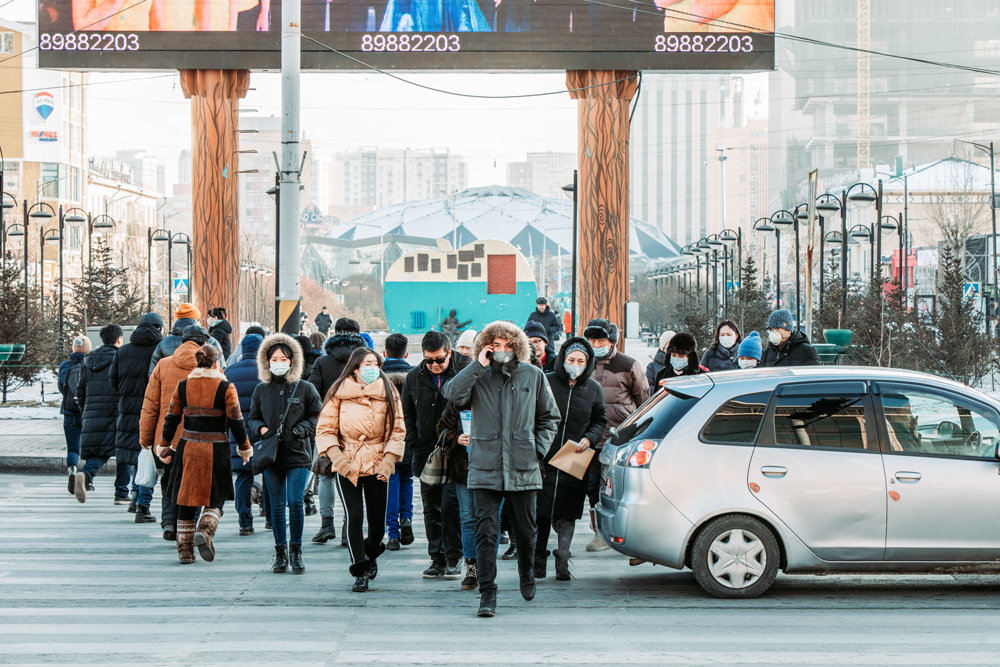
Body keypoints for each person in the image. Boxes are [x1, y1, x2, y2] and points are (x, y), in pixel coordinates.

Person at [442, 321, 560, 618]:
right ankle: (487, 593)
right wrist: (476, 365)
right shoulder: (477, 376)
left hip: (523, 464)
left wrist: (536, 450)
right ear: (486, 347)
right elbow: (452, 395)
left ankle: (526, 573)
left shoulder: (533, 375)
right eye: (495, 345)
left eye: (507, 345)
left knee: (525, 530)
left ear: (517, 346)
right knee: (486, 532)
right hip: (484, 465)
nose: (502, 351)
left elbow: (550, 417)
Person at [316, 347, 406, 592]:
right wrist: (338, 457)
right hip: (348, 462)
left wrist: (389, 461)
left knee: (377, 522)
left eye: (375, 363)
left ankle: (371, 551)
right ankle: (360, 569)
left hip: (378, 461)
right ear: (355, 368)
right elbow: (325, 429)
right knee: (354, 516)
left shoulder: (389, 391)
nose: (372, 367)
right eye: (367, 363)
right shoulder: (338, 392)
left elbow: (397, 429)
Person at [157, 344, 251, 564]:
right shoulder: (226, 387)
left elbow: (171, 419)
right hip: (216, 448)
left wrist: (164, 444)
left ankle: (185, 551)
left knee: (186, 498)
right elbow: (237, 422)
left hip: (187, 447)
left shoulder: (182, 386)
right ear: (217, 362)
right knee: (216, 496)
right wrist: (244, 447)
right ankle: (206, 531)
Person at [249, 334, 323, 574]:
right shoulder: (261, 390)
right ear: (266, 362)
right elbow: (252, 418)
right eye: (274, 359)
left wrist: (301, 429)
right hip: (271, 455)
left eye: (283, 358)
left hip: (298, 453)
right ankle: (280, 552)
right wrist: (260, 429)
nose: (279, 362)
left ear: (292, 361)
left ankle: (296, 550)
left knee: (295, 501)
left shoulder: (305, 388)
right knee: (277, 504)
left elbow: (317, 415)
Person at [536, 338, 607, 581]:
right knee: (541, 512)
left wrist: (590, 438)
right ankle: (537, 561)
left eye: (580, 361)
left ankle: (563, 561)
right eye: (571, 360)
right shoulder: (546, 381)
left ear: (587, 363)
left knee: (567, 513)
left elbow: (600, 420)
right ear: (563, 359)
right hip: (545, 456)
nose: (575, 365)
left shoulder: (593, 389)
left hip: (575, 457)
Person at [401, 330, 468, 580]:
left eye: (439, 359)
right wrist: (412, 438)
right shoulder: (414, 376)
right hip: (426, 449)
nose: (435, 365)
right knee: (430, 506)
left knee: (451, 505)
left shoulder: (464, 370)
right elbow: (406, 411)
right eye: (429, 360)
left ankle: (454, 557)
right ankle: (436, 557)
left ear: (449, 353)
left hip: (457, 449)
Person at [583, 318, 649, 551]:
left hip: (619, 439)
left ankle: (630, 534)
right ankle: (599, 534)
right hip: (590, 437)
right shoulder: (583, 362)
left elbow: (644, 401)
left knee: (621, 487)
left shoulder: (629, 365)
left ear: (611, 340)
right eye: (592, 340)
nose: (596, 344)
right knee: (593, 489)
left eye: (601, 340)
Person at [140, 325, 210, 541]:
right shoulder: (210, 366)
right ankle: (186, 527)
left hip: (166, 438)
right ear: (203, 344)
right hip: (198, 436)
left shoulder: (163, 365)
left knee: (170, 478)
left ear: (182, 341)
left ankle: (169, 523)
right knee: (195, 482)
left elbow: (150, 405)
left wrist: (145, 439)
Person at [309, 318, 366, 545]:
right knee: (353, 478)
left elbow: (311, 391)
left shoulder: (323, 362)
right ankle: (347, 529)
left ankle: (326, 524)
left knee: (325, 475)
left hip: (329, 424)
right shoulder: (364, 362)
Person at [109, 313, 164, 523]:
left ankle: (135, 495)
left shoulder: (123, 351)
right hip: (154, 409)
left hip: (128, 408)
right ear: (159, 328)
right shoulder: (161, 349)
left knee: (137, 453)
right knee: (149, 455)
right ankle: (141, 503)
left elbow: (112, 380)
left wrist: (126, 396)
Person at [74, 324, 129, 504]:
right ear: (119, 339)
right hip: (116, 412)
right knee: (124, 450)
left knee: (101, 450)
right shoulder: (121, 357)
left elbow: (80, 390)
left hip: (92, 412)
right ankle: (121, 492)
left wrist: (85, 412)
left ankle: (86, 474)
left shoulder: (88, 360)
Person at [224, 331, 263, 536]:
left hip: (237, 432)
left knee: (242, 476)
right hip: (263, 431)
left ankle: (244, 522)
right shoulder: (265, 372)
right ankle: (271, 518)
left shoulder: (229, 371)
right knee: (269, 475)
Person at [435, 397, 476, 589]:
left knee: (492, 520)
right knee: (467, 519)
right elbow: (442, 429)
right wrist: (456, 437)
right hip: (464, 469)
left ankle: (487, 568)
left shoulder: (499, 394)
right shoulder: (459, 400)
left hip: (495, 468)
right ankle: (472, 568)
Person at [381, 333, 414, 551]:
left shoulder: (377, 376)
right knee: (407, 481)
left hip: (385, 440)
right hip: (409, 437)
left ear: (384, 353)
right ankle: (407, 518)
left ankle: (392, 533)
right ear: (407, 353)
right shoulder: (415, 375)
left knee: (389, 484)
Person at [150, 303, 224, 375]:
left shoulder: (164, 343)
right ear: (198, 320)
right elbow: (222, 371)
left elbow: (153, 374)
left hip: (170, 387)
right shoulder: (211, 342)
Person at [58, 335, 90, 496]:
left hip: (69, 411)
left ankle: (72, 470)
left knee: (72, 447)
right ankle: (88, 477)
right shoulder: (90, 363)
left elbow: (61, 387)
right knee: (91, 447)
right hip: (87, 411)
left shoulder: (65, 365)